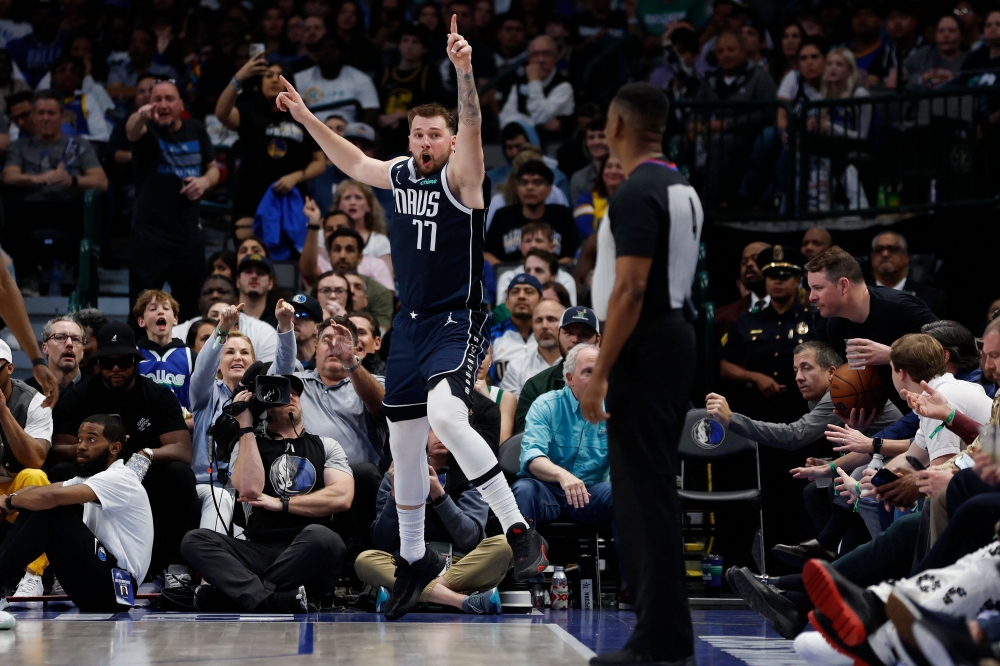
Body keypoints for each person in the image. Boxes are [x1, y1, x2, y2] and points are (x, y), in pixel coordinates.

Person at [276, 15, 548, 621]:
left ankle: (518, 528)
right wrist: (305, 118)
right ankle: (415, 560)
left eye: (435, 135)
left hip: (457, 317)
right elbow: (351, 161)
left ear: (450, 142)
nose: (425, 143)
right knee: (403, 443)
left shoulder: (465, 178)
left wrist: (465, 73)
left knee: (448, 416)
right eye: (417, 134)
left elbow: (473, 123)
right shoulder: (399, 175)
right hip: (411, 323)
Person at [580, 82, 704, 666]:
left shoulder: (635, 192)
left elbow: (629, 288)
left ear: (620, 126)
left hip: (645, 342)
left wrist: (601, 371)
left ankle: (659, 637)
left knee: (641, 496)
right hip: (671, 336)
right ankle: (669, 633)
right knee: (652, 490)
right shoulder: (681, 185)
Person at [180, 381, 353, 613]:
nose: (291, 397)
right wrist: (246, 426)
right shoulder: (248, 444)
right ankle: (273, 599)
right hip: (261, 550)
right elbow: (249, 490)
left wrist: (281, 503)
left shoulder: (326, 445)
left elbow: (342, 497)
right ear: (266, 405)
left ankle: (239, 596)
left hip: (309, 551)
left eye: (295, 394)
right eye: (283, 394)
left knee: (323, 536)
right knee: (194, 540)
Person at [51, 322, 200, 586]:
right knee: (60, 473)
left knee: (179, 475)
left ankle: (174, 566)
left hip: (140, 478)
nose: (116, 369)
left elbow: (182, 449)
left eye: (125, 362)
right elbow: (58, 449)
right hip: (92, 475)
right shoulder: (79, 395)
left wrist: (146, 453)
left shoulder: (157, 395)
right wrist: (91, 446)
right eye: (108, 363)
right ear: (98, 364)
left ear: (136, 361)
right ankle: (64, 568)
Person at [0, 415, 153, 611]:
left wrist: (9, 502)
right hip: (98, 585)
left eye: (91, 439)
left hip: (118, 589)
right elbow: (42, 492)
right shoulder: (91, 478)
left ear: (114, 448)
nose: (80, 446)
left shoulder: (119, 478)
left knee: (51, 511)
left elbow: (50, 498)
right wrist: (9, 499)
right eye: (79, 439)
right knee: (38, 505)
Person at [356, 428, 511, 615]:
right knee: (364, 560)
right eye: (432, 430)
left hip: (459, 566)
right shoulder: (396, 475)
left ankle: (408, 594)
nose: (440, 435)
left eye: (444, 429)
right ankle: (461, 601)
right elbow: (382, 541)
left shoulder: (470, 475)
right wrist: (396, 495)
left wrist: (439, 495)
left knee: (507, 545)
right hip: (408, 565)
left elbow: (469, 538)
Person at [188, 302, 296, 533]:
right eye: (230, 351)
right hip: (207, 486)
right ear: (218, 365)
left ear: (254, 364)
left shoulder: (262, 395)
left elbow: (284, 369)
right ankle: (209, 565)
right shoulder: (204, 395)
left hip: (250, 488)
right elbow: (202, 369)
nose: (238, 357)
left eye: (245, 352)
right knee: (220, 497)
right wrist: (222, 330)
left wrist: (285, 326)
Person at [126, 80, 219, 323]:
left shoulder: (196, 129)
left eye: (169, 99)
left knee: (190, 310)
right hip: (149, 237)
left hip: (188, 237)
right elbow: (131, 131)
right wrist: (140, 116)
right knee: (141, 310)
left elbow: (213, 168)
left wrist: (204, 182)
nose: (163, 104)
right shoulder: (147, 130)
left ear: (180, 105)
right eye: (157, 99)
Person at [293, 317, 386, 547]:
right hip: (306, 477)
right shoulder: (295, 385)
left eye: (342, 341)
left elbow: (382, 406)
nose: (334, 346)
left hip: (359, 484)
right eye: (327, 340)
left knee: (364, 473)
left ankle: (373, 566)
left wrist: (351, 364)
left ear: (356, 350)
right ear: (315, 347)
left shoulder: (373, 383)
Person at [215, 54, 325, 241]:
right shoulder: (248, 111)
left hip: (291, 197)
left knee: (289, 261)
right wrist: (238, 78)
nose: (274, 79)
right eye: (268, 75)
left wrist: (295, 177)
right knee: (251, 255)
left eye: (280, 76)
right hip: (251, 196)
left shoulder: (303, 114)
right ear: (260, 81)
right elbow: (221, 114)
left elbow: (320, 162)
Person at [1, 91, 109, 280]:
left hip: (68, 204)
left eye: (51, 113)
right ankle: (27, 277)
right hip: (30, 207)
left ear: (62, 116)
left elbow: (101, 181)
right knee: (10, 203)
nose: (45, 118)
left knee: (91, 202)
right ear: (33, 116)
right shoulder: (19, 146)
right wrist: (40, 178)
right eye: (40, 113)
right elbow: (9, 176)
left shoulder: (79, 144)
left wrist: (73, 180)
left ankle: (82, 276)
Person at [807, 246, 938, 399]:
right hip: (881, 408)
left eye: (818, 288)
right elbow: (853, 382)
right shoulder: (835, 324)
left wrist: (893, 355)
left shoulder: (902, 307)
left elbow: (948, 352)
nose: (811, 297)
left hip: (929, 402)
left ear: (843, 285)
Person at [514, 343, 614, 529]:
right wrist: (562, 475)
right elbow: (532, 456)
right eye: (588, 372)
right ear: (570, 378)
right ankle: (524, 556)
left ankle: (630, 559)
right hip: (547, 491)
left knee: (622, 494)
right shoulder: (546, 405)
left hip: (591, 495)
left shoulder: (615, 411)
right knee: (524, 489)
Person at [719, 245, 817, 424]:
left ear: (797, 280)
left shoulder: (813, 320)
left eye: (784, 276)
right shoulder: (747, 321)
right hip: (757, 410)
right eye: (772, 276)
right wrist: (756, 377)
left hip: (803, 411)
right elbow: (726, 366)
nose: (777, 282)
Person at [0, 339, 53, 605]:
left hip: (15, 488)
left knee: (36, 478)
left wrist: (3, 414)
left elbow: (36, 459)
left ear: (9, 368)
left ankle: (33, 575)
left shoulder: (35, 402)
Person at [514, 305, 601, 433]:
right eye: (569, 333)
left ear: (598, 340)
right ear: (559, 335)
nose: (575, 340)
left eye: (584, 334)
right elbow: (524, 438)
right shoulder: (536, 386)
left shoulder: (616, 383)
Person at [485, 161, 579, 264]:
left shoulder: (562, 215)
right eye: (524, 183)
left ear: (549, 189)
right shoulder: (503, 216)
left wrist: (548, 270)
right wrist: (507, 271)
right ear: (517, 188)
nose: (529, 188)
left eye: (537, 183)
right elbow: (487, 254)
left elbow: (572, 256)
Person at [173, 275, 281, 364]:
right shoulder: (178, 332)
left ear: (236, 301)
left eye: (222, 291)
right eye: (208, 292)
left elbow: (270, 370)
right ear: (199, 304)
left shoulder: (263, 331)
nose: (215, 296)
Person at [499, 35, 574, 143]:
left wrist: (534, 81)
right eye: (535, 55)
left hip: (553, 147)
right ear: (529, 59)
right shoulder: (520, 83)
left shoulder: (564, 86)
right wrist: (537, 125)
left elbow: (540, 117)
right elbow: (505, 120)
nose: (540, 60)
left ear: (556, 57)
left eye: (546, 54)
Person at [292, 35, 379, 124]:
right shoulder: (300, 79)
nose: (328, 53)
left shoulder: (361, 79)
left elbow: (371, 112)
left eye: (333, 49)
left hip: (349, 133)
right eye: (324, 49)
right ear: (317, 54)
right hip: (313, 131)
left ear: (343, 54)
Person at [134, 290, 195, 413]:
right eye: (153, 309)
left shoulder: (190, 356)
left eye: (166, 308)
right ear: (141, 321)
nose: (160, 311)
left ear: (175, 319)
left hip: (182, 426)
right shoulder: (134, 355)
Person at [868, 230, 948, 318]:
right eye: (878, 250)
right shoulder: (859, 296)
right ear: (872, 258)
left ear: (906, 257)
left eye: (893, 249)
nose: (885, 254)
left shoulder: (933, 297)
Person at [500, 300, 564, 397]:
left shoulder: (577, 363)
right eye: (539, 321)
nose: (544, 326)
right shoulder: (516, 366)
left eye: (551, 319)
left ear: (564, 325)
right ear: (532, 326)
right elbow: (512, 409)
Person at [490, 274, 543, 382]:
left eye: (529, 291)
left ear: (541, 301)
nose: (521, 296)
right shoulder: (491, 338)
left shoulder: (552, 336)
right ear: (507, 302)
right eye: (515, 292)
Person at [714, 241, 771, 340]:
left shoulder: (801, 305)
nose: (749, 264)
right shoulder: (724, 317)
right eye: (744, 262)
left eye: (756, 259)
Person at [495, 243, 577, 307]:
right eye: (528, 270)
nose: (531, 275)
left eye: (539, 270)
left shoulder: (560, 302)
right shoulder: (516, 300)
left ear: (553, 277)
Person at [902, 14, 967, 91]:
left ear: (961, 36)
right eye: (941, 31)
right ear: (935, 35)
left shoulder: (969, 60)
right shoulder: (925, 54)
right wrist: (920, 79)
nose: (946, 35)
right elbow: (901, 70)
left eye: (951, 31)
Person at [26, 316, 85, 395]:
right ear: (45, 348)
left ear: (82, 352)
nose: (69, 343)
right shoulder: (28, 391)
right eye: (60, 338)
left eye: (75, 339)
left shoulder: (97, 390)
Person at [573, 155, 625, 240]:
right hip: (594, 248)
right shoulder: (586, 199)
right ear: (601, 172)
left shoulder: (635, 199)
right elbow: (585, 231)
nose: (613, 171)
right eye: (609, 166)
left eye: (619, 167)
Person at [236, 254, 279, 326]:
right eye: (248, 272)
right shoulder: (227, 320)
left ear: (270, 284)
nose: (254, 276)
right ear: (238, 281)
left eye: (260, 273)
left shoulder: (278, 325)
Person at [291, 293, 324, 369]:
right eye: (289, 315)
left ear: (317, 328)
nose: (292, 321)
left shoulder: (325, 364)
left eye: (302, 315)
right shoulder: (278, 360)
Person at [349, 311, 385, 375]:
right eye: (348, 333)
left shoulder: (392, 376)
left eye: (361, 333)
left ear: (377, 343)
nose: (354, 339)